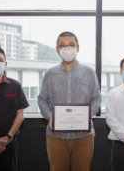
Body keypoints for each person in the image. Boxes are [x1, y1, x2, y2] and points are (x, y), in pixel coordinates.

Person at [38, 31, 101, 171]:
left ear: (78, 47)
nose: (67, 49)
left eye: (71, 45)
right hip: (56, 135)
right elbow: (42, 100)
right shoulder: (49, 74)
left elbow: (97, 98)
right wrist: (51, 117)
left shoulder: (89, 72)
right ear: (57, 49)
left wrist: (88, 116)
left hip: (84, 135)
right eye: (63, 45)